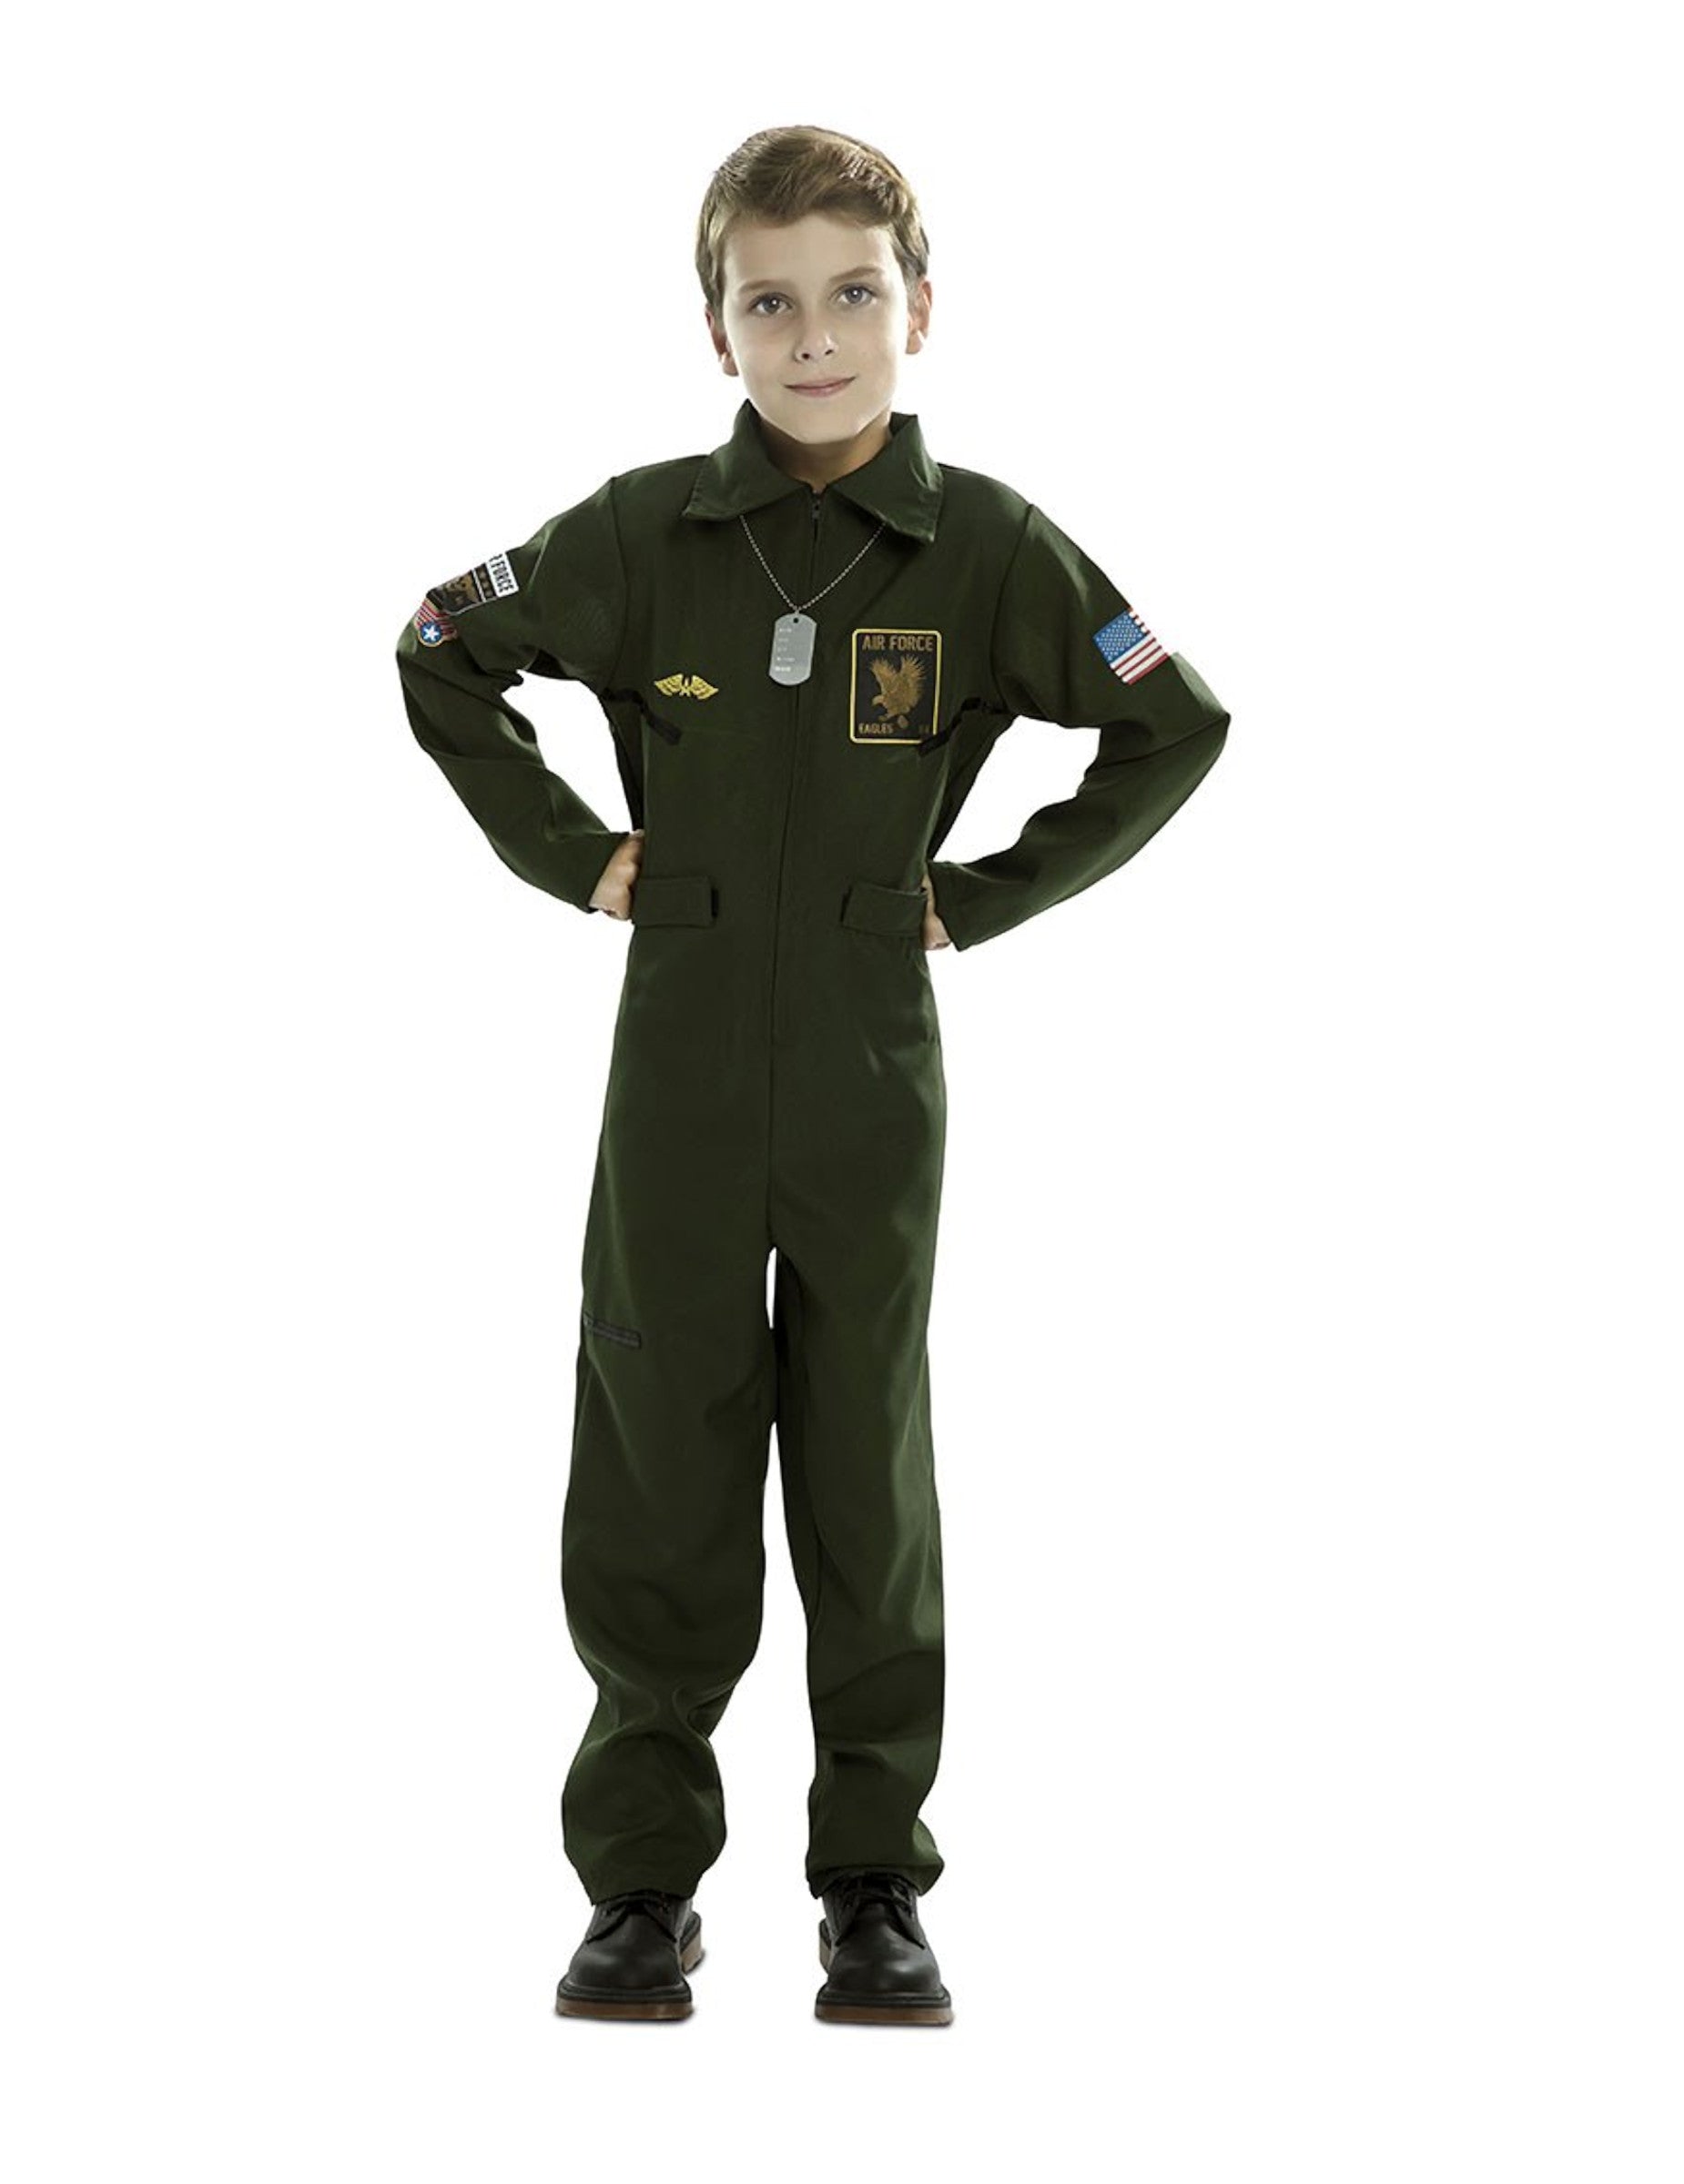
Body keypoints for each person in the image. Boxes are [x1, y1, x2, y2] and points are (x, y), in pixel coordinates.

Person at [394, 124, 1231, 2028]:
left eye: (853, 294)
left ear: (919, 307)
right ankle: (639, 1888)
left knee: (864, 1465)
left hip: (868, 1065)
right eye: (767, 303)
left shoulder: (988, 547)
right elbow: (441, 645)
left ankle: (871, 1885)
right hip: (678, 1068)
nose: (815, 337)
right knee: (656, 1453)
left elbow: (1171, 721)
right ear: (718, 329)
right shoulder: (642, 534)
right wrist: (574, 854)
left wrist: (979, 896)